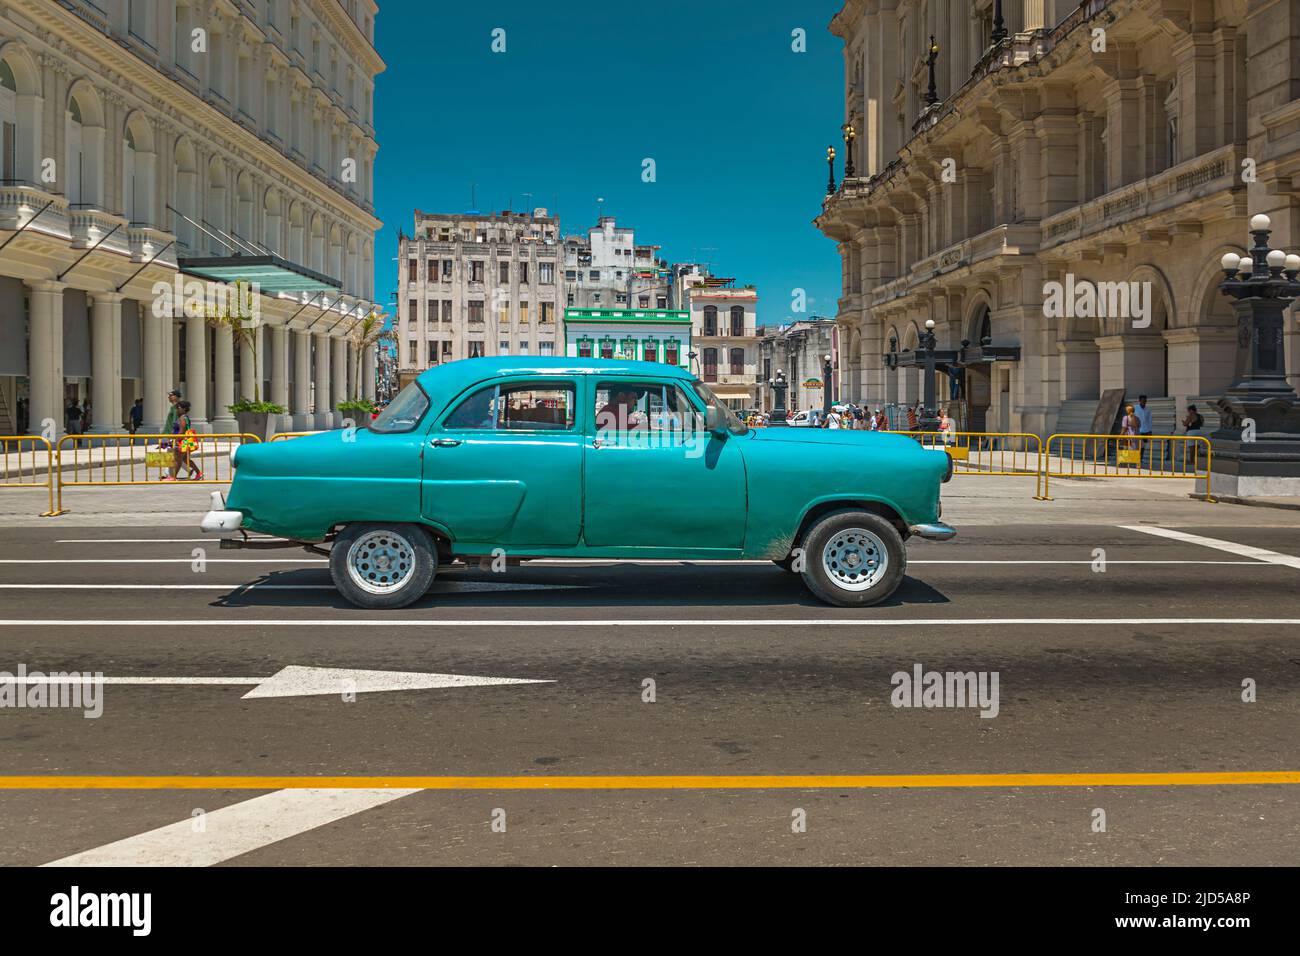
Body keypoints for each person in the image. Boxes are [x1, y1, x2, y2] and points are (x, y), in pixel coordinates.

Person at [164, 400, 202, 481]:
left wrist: (174, 441)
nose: (177, 410)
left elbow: (181, 431)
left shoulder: (182, 418)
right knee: (186, 459)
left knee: (178, 459)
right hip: (185, 441)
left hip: (182, 442)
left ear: (184, 409)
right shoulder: (185, 417)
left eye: (178, 408)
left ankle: (173, 477)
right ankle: (199, 473)